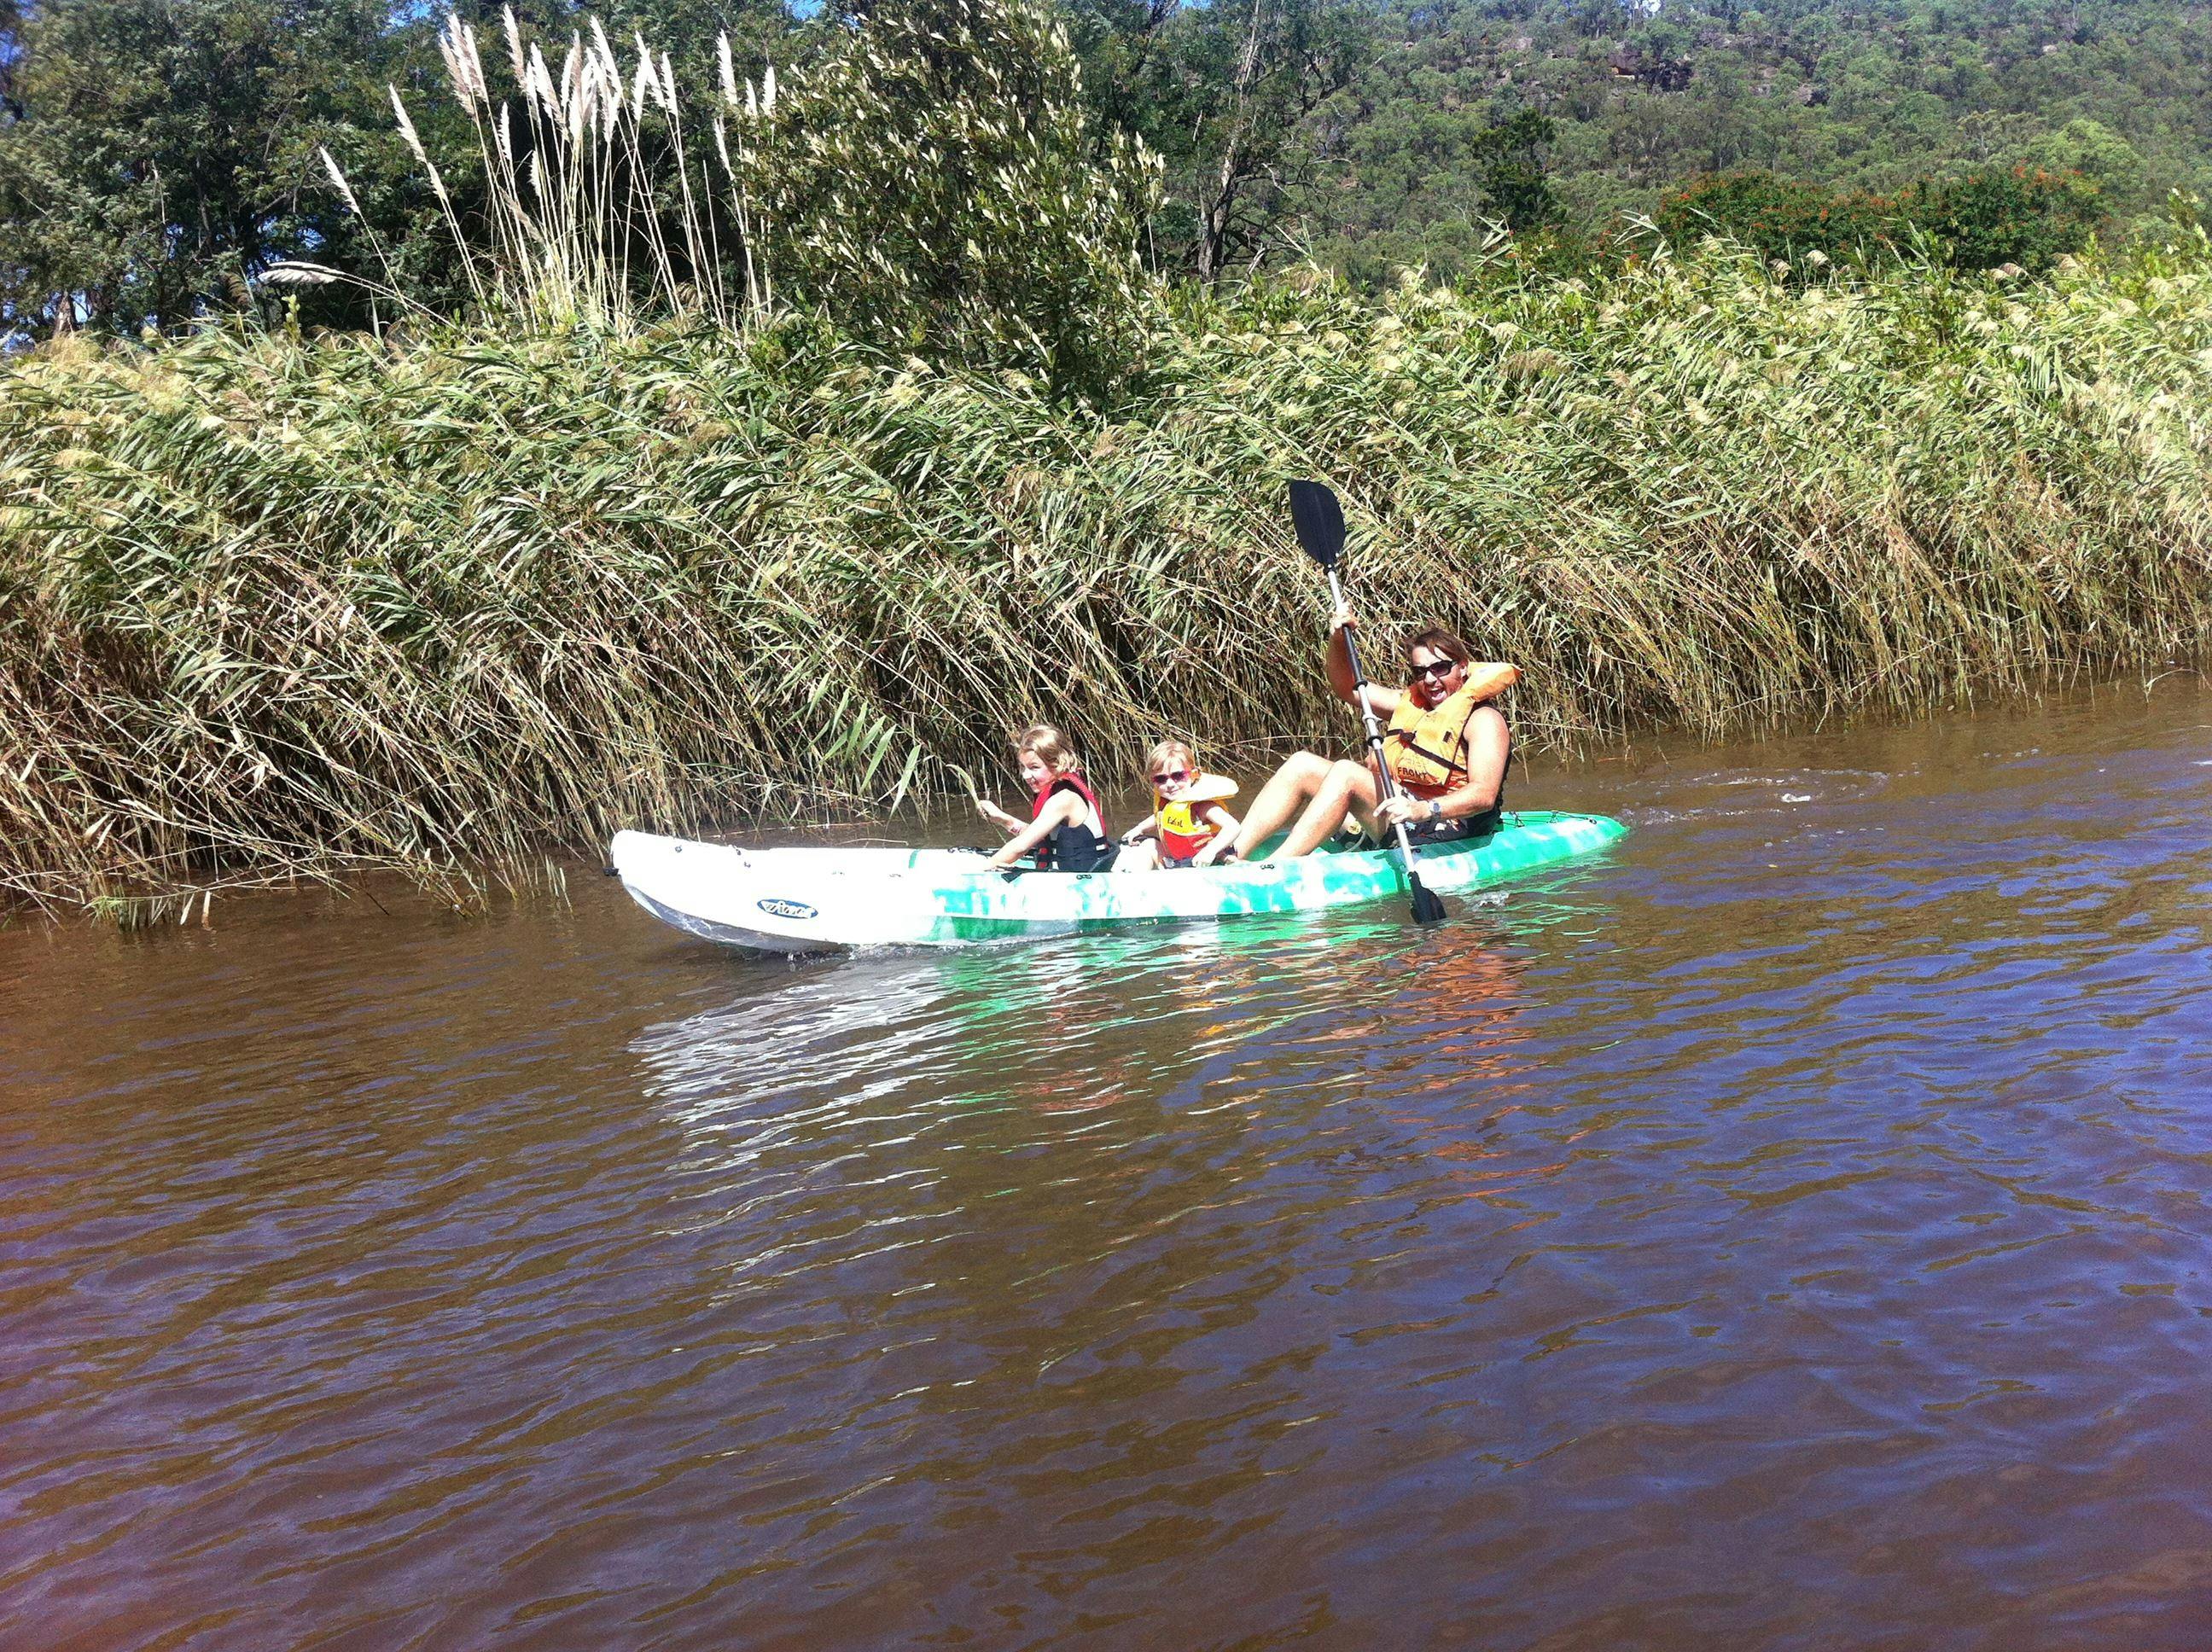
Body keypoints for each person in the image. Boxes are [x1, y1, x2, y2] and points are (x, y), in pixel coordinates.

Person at [1222, 607, 1518, 862]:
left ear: (1463, 667)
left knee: (1348, 773)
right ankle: (1233, 852)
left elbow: (1484, 795)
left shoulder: (1484, 720)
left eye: (1440, 668)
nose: (1430, 679)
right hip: (1400, 811)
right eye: (1420, 672)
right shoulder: (1413, 704)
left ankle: (1277, 867)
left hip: (1447, 826)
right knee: (1302, 764)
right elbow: (1348, 687)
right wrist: (1338, 638)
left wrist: (1420, 810)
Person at [974, 723, 1117, 871]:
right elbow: (1039, 837)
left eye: (1034, 767)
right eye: (1023, 767)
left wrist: (976, 871)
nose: (1026, 776)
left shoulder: (1064, 799)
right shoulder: (1061, 794)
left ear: (1057, 763)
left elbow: (1021, 846)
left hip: (1080, 885)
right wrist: (1004, 819)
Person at [1118, 740, 1242, 870]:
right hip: (1178, 863)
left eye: (1178, 776)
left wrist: (1210, 851)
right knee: (1147, 845)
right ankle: (1133, 881)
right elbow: (1159, 818)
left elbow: (1233, 827)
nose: (1170, 784)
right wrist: (1139, 828)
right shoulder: (1168, 803)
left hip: (1209, 864)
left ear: (1193, 774)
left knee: (1229, 860)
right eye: (1161, 779)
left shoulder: (1203, 806)